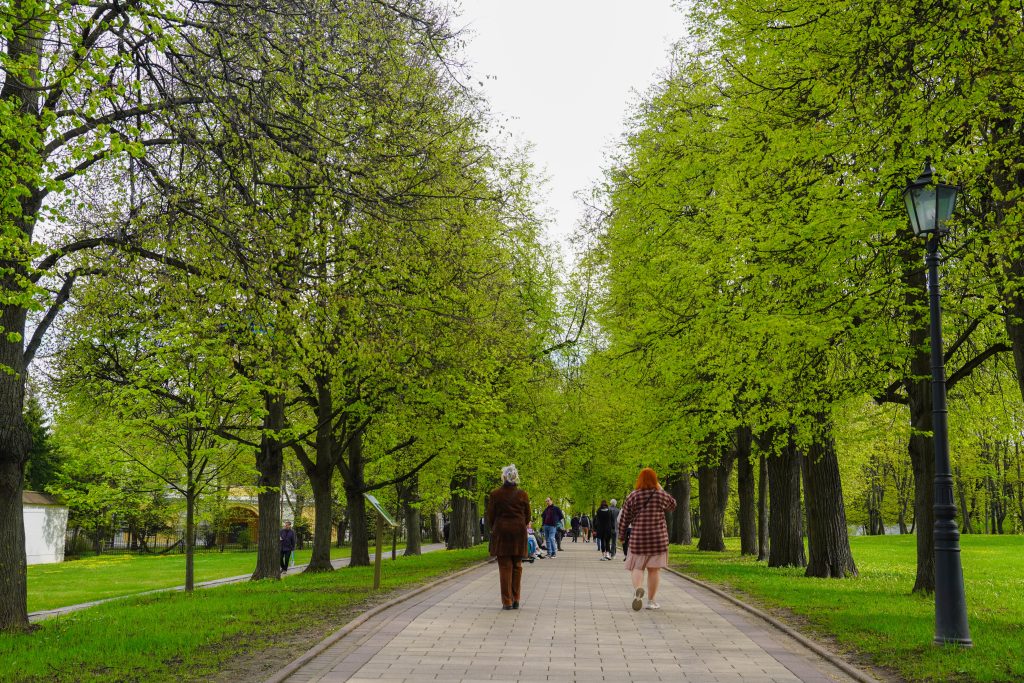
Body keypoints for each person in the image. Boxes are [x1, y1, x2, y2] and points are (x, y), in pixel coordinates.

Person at [618, 467, 676, 610]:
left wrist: (621, 536)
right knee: (654, 570)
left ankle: (638, 589)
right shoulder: (660, 495)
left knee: (637, 568)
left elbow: (624, 518)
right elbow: (673, 505)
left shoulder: (633, 496)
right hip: (658, 540)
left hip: (638, 539)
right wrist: (661, 489)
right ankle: (651, 601)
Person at [486, 464, 531, 610]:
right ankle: (516, 598)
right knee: (517, 566)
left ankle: (507, 601)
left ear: (504, 476)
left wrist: (497, 526)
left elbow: (491, 516)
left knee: (505, 567)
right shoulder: (523, 494)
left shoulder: (495, 494)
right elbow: (528, 516)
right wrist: (520, 524)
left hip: (502, 533)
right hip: (518, 533)